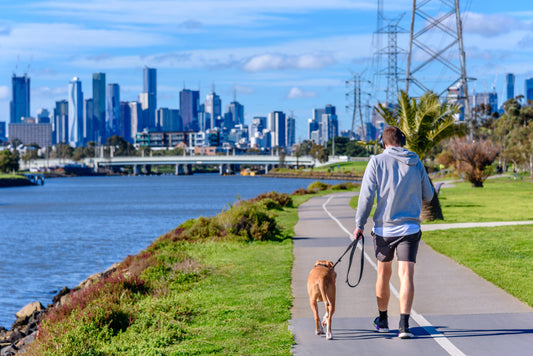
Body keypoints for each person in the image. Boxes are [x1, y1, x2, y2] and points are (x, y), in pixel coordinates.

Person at [353, 126, 434, 339]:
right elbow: (429, 194)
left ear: (383, 143)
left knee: (383, 273)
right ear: (403, 141)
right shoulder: (416, 162)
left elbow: (366, 197)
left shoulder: (376, 161)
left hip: (384, 229)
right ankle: (405, 326)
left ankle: (383, 321)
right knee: (406, 275)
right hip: (410, 227)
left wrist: (359, 224)